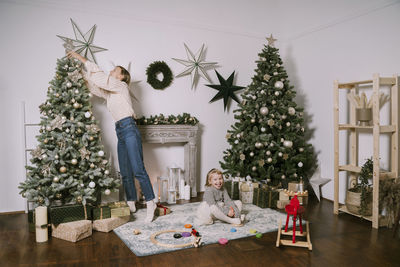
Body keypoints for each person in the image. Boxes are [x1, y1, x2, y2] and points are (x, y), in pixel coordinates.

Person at [67, 51, 157, 223]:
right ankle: (131, 202)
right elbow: (94, 85)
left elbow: (101, 79)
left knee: (138, 169)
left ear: (122, 76)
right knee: (124, 170)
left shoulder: (121, 86)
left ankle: (151, 202)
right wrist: (79, 73)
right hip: (120, 131)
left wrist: (80, 57)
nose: (111, 71)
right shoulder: (111, 92)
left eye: (114, 70)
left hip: (130, 128)